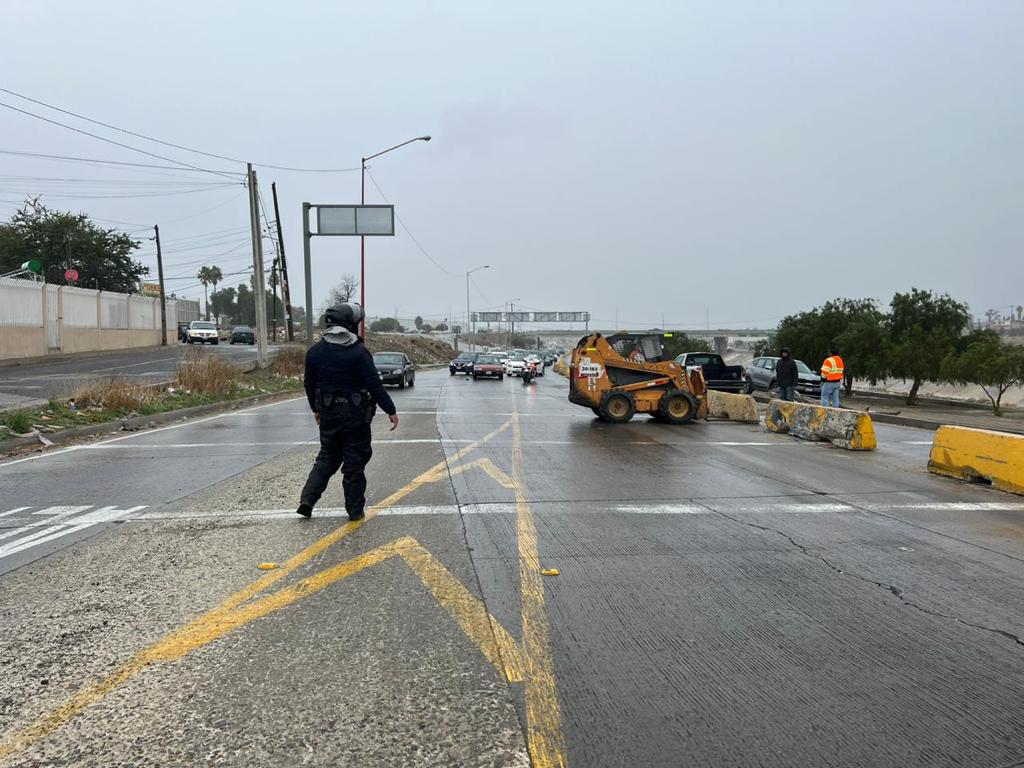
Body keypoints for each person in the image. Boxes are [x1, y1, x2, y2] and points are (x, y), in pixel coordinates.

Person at [296, 303, 399, 521]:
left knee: (327, 457)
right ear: (349, 324)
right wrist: (390, 410)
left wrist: (316, 409)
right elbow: (374, 384)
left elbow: (309, 384)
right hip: (355, 415)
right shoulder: (358, 352)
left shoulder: (315, 352)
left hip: (329, 413)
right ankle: (354, 510)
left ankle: (307, 500)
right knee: (354, 461)